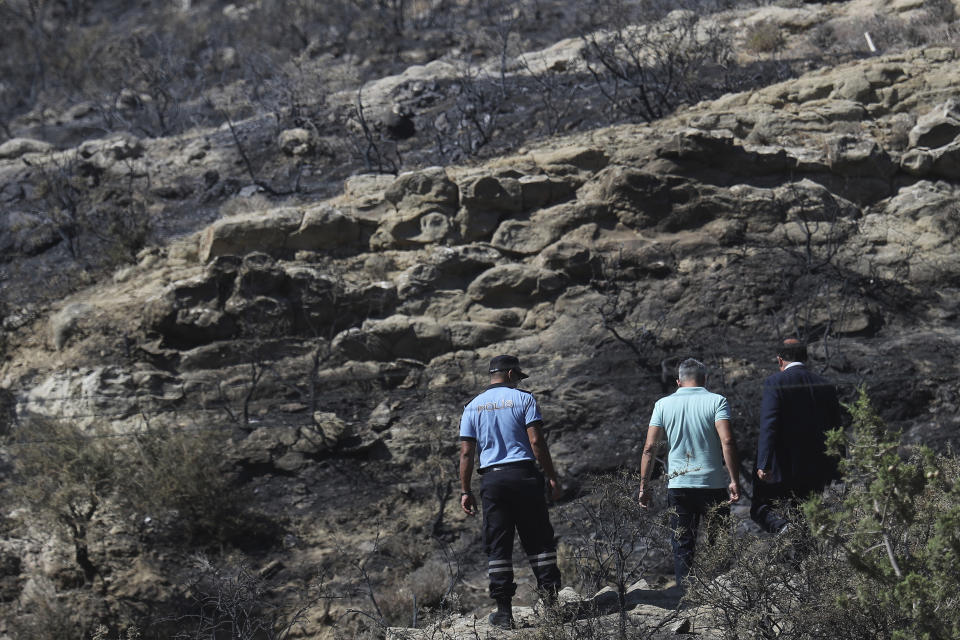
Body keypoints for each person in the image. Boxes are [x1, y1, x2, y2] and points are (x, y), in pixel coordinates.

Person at [459, 354, 562, 630]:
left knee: (498, 546)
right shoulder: (524, 400)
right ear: (507, 374)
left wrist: (465, 490)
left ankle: (504, 613)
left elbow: (467, 453)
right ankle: (551, 608)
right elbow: (536, 441)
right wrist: (551, 477)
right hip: (524, 476)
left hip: (492, 481)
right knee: (539, 540)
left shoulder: (472, 407)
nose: (518, 381)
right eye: (516, 376)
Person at [638, 358, 741, 587]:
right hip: (712, 484)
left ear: (678, 381)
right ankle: (722, 595)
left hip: (679, 485)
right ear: (705, 379)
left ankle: (685, 597)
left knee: (682, 544)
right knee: (719, 543)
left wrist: (644, 487)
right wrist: (734, 479)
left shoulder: (663, 405)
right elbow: (728, 441)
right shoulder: (717, 401)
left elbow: (649, 448)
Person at [751, 339, 842, 534]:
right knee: (807, 517)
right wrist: (838, 465)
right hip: (817, 467)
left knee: (762, 508)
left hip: (784, 466)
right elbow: (836, 427)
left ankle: (786, 535)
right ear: (805, 357)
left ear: (779, 360)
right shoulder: (825, 385)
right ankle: (803, 560)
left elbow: (769, 425)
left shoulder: (774, 383)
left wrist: (763, 463)